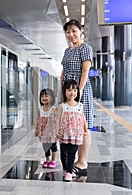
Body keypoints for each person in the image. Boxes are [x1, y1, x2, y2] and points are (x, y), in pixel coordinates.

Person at [60, 19, 93, 176]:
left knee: (83, 127)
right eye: (68, 32)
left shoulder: (85, 48)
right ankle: (74, 160)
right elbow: (63, 71)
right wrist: (62, 89)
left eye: (74, 30)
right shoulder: (67, 51)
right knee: (71, 125)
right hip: (67, 91)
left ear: (81, 30)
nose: (71, 34)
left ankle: (82, 161)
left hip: (80, 90)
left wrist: (78, 92)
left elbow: (85, 70)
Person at [56, 80, 88, 182]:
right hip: (64, 134)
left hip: (76, 134)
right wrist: (57, 131)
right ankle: (66, 169)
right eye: (69, 90)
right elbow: (58, 120)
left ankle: (69, 172)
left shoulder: (80, 106)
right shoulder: (62, 106)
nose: (72, 93)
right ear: (64, 92)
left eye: (74, 90)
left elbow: (83, 118)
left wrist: (85, 129)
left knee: (72, 154)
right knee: (63, 153)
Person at [35, 88, 58, 169]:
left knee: (53, 146)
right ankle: (47, 159)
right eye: (42, 96)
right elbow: (37, 120)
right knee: (45, 146)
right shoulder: (39, 109)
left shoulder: (54, 109)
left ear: (51, 98)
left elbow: (58, 119)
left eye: (46, 96)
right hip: (43, 131)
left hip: (52, 131)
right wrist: (36, 129)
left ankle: (53, 160)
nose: (44, 98)